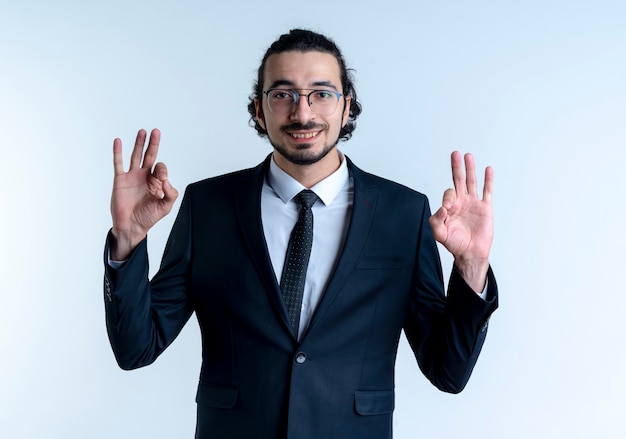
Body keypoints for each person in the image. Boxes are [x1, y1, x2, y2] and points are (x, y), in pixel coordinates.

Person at [103, 29, 498, 439]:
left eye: (322, 94)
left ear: (347, 107)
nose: (303, 113)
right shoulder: (208, 207)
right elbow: (136, 348)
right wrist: (128, 241)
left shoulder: (403, 213)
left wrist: (472, 267)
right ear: (259, 109)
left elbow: (448, 372)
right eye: (283, 94)